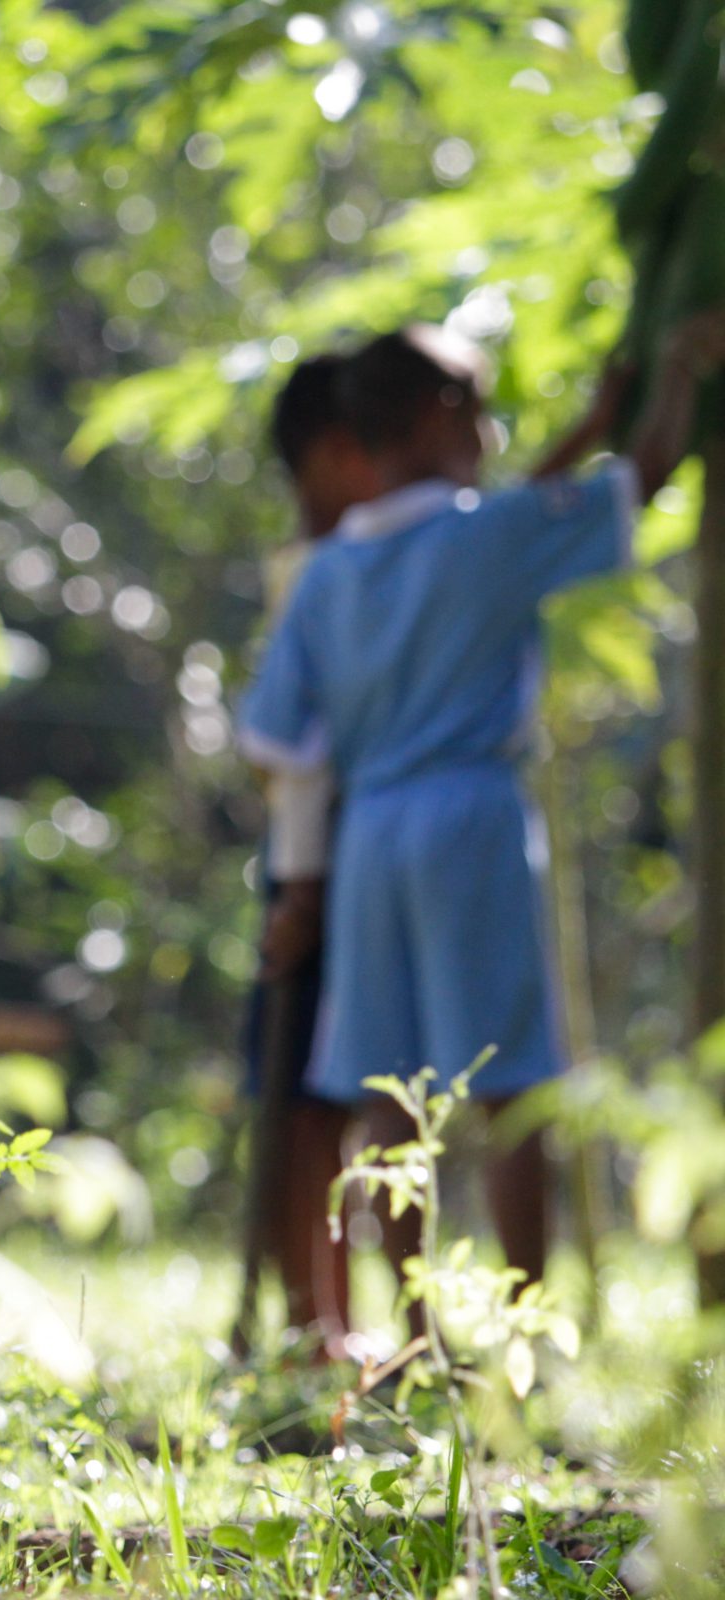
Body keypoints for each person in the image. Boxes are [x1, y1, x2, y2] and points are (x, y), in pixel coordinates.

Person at [239, 319, 716, 1320]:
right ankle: (523, 1334)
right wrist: (676, 373)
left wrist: (303, 886)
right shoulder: (485, 539)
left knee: (385, 1094)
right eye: (485, 408)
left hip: (369, 834)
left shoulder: (325, 575)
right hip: (471, 818)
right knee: (508, 1087)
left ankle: (416, 1333)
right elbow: (642, 479)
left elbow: (280, 741)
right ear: (446, 414)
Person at [239, 352, 376, 1359]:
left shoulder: (363, 562)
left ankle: (334, 1315)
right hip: (312, 863)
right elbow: (290, 756)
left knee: (345, 1095)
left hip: (359, 856)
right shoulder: (317, 574)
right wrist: (300, 884)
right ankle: (306, 1320)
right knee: (301, 1099)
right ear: (334, 457)